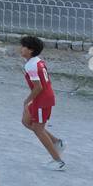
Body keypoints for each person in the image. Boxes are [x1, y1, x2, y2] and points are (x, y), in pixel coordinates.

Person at [19, 35, 65, 171]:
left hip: (42, 99)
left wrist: (27, 101)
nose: (21, 49)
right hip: (42, 97)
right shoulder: (37, 61)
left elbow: (38, 87)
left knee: (38, 129)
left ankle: (58, 161)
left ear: (31, 50)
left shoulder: (31, 65)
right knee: (26, 121)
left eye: (24, 47)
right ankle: (57, 142)